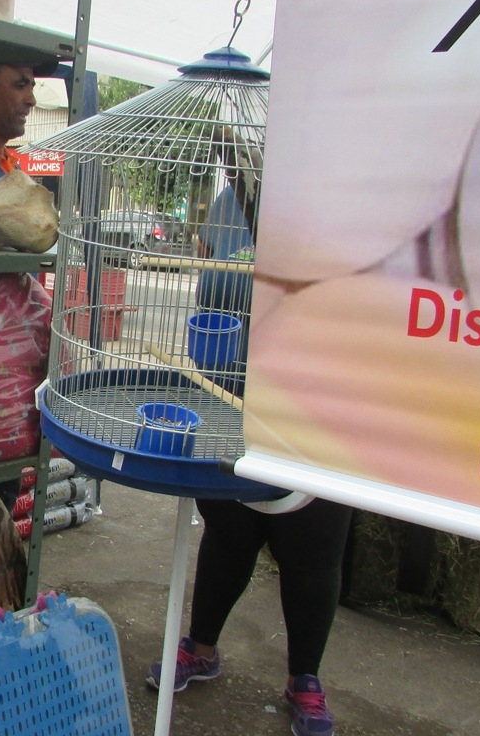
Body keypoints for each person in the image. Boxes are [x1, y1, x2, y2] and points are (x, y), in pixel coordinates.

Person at [146, 184, 353, 736]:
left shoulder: (343, 211)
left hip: (317, 419)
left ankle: (304, 679)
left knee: (311, 558)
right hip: (233, 408)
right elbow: (210, 280)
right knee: (227, 536)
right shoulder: (228, 204)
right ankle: (201, 648)